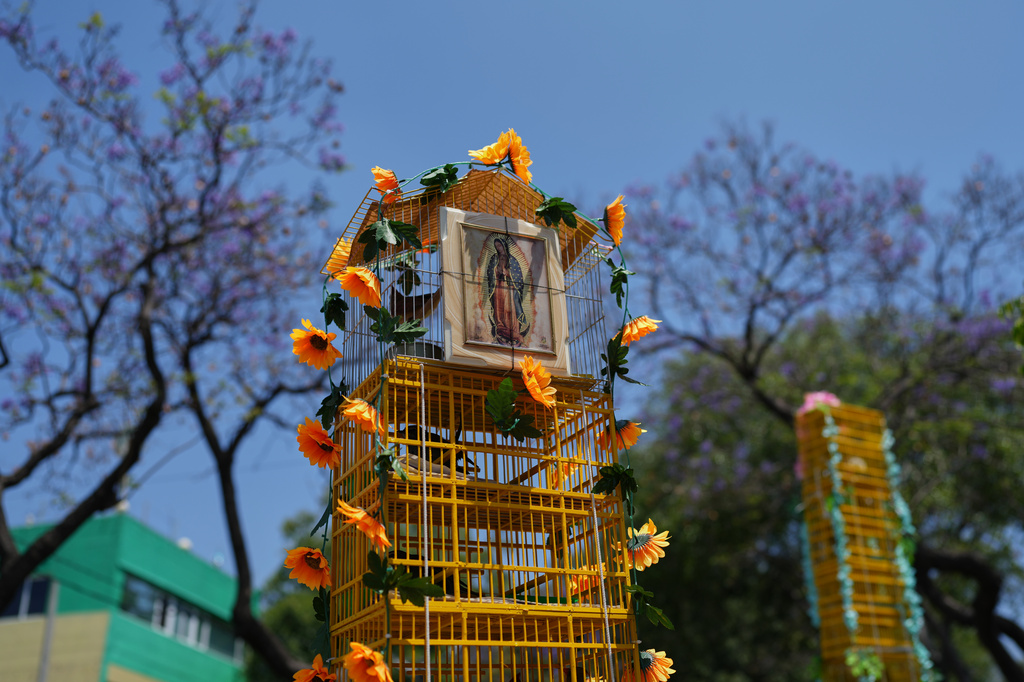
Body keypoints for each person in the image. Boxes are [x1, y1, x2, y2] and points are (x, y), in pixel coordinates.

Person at [485, 236, 529, 346]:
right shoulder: (494, 258)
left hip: (509, 287)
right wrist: (496, 271)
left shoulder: (512, 260)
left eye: (500, 245)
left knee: (510, 308)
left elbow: (518, 276)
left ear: (504, 246)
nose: (499, 248)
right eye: (496, 246)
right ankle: (500, 327)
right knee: (499, 308)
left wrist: (508, 273)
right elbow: (490, 273)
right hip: (498, 286)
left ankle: (514, 330)